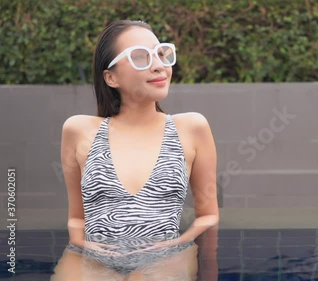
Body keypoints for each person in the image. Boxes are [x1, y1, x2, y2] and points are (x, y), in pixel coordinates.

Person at [51, 19, 219, 281]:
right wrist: (79, 243)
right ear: (111, 77)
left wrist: (180, 244)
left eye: (161, 54)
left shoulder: (192, 128)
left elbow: (208, 216)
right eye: (140, 57)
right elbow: (76, 218)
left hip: (166, 261)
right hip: (96, 261)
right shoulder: (79, 130)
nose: (158, 65)